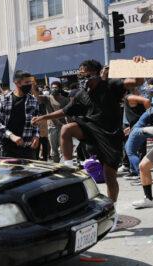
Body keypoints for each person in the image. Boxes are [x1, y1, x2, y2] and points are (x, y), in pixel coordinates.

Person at [32, 57, 146, 202]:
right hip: (90, 130)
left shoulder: (110, 85)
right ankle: (69, 167)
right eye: (80, 76)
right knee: (67, 129)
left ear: (97, 73)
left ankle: (111, 206)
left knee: (109, 177)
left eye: (86, 75)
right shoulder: (80, 94)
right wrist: (43, 117)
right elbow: (65, 111)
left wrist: (137, 66)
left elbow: (137, 82)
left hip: (110, 137)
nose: (82, 79)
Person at [0, 70, 40, 159]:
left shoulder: (33, 101)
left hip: (27, 147)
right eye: (26, 82)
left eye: (30, 82)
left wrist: (36, 136)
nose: (29, 85)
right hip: (7, 146)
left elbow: (36, 122)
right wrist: (11, 136)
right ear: (17, 83)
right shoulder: (4, 100)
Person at [123, 91, 152, 181]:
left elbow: (147, 101)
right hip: (137, 127)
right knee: (130, 149)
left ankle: (141, 175)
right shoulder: (129, 98)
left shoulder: (129, 97)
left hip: (139, 127)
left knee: (130, 151)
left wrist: (150, 116)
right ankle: (135, 172)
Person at [38, 81, 69, 162]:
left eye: (56, 87)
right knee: (54, 149)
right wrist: (34, 87)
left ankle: (64, 165)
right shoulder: (47, 98)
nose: (54, 89)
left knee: (63, 147)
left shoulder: (65, 99)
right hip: (52, 127)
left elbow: (68, 112)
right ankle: (56, 166)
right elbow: (37, 96)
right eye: (52, 87)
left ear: (59, 88)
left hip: (63, 126)